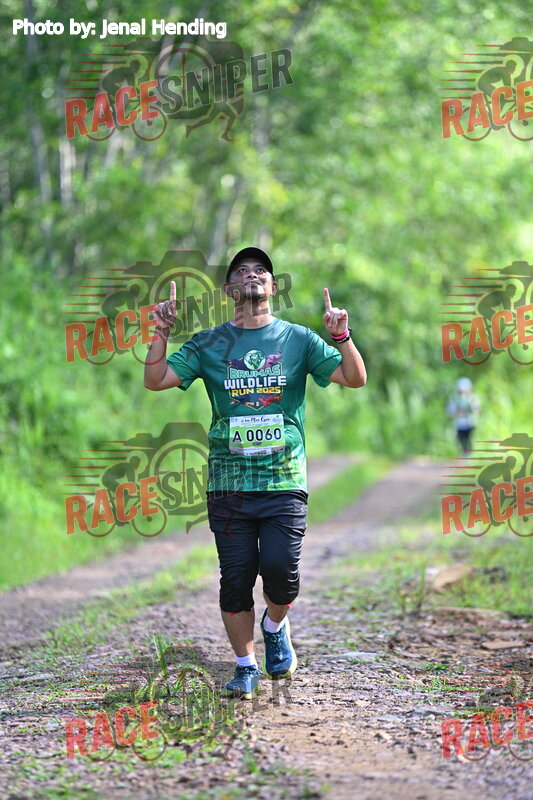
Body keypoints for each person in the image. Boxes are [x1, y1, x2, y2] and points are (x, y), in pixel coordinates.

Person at [144, 247, 367, 698]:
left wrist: (342, 337)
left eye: (261, 270)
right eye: (242, 271)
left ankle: (275, 625)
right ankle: (245, 666)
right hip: (229, 483)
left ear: (273, 287)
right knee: (236, 579)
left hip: (284, 478)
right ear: (230, 290)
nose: (252, 275)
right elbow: (156, 379)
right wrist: (161, 333)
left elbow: (354, 377)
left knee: (282, 574)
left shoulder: (299, 340)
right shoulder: (209, 344)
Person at [447, 377, 481, 455]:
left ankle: (470, 454)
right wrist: (457, 411)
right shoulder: (455, 399)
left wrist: (471, 408)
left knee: (469, 440)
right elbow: (451, 410)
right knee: (460, 439)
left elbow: (476, 409)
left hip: (470, 423)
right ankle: (464, 454)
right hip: (460, 424)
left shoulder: (473, 398)